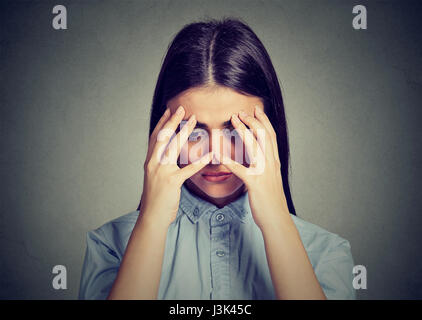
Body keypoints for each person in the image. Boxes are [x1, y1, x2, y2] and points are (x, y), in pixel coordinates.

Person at [78, 18, 356, 300]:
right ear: (162, 133)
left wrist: (276, 221)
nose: (216, 156)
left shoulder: (324, 253)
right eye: (194, 132)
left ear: (270, 131)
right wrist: (152, 220)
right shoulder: (111, 246)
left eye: (237, 130)